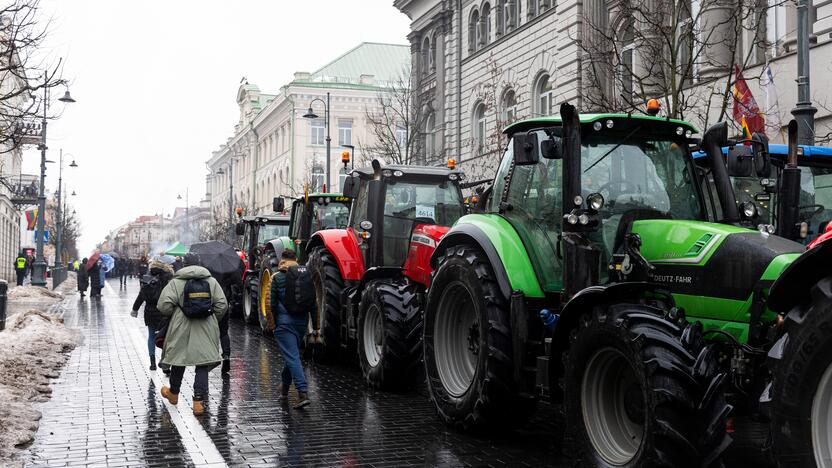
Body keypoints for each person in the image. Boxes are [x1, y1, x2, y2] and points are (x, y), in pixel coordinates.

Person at [157, 253, 228, 415]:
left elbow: (163, 306)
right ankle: (198, 402)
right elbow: (222, 304)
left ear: (184, 264)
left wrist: (175, 314)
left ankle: (173, 394)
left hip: (180, 326)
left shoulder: (176, 282)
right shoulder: (211, 281)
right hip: (206, 325)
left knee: (178, 359)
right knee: (202, 363)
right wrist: (211, 318)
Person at [270, 249, 311, 409]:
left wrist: (273, 323)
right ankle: (284, 389)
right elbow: (313, 303)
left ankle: (302, 393)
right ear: (296, 259)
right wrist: (316, 327)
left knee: (293, 357)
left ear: (282, 260)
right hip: (301, 323)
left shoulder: (278, 277)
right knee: (292, 355)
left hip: (284, 324)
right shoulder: (305, 277)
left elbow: (272, 303)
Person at [131, 259, 174, 370]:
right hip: (164, 311)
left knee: (151, 336)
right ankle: (165, 364)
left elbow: (141, 294)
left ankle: (152, 363)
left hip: (150, 311)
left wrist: (135, 309)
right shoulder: (167, 277)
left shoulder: (146, 278)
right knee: (166, 336)